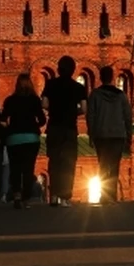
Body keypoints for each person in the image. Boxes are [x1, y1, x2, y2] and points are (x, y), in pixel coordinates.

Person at [42, 55, 87, 207]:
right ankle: (66, 197)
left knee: (54, 161)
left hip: (54, 127)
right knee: (69, 162)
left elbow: (44, 103)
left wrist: (54, 109)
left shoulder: (50, 84)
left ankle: (54, 195)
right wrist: (74, 113)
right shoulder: (78, 87)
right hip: (69, 129)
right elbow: (84, 109)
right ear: (73, 70)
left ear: (58, 69)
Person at [0, 73, 46, 210]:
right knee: (28, 168)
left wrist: (9, 127)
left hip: (14, 138)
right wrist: (34, 126)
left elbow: (2, 119)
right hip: (31, 138)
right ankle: (26, 199)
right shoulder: (34, 100)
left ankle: (17, 196)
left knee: (15, 168)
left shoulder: (10, 100)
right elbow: (42, 120)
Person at [87, 66, 133, 205]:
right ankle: (112, 195)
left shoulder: (95, 95)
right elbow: (128, 116)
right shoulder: (121, 95)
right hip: (118, 135)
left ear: (100, 77)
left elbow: (91, 115)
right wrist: (129, 136)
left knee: (103, 165)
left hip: (101, 134)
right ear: (112, 77)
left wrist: (91, 133)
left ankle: (104, 195)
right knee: (114, 166)